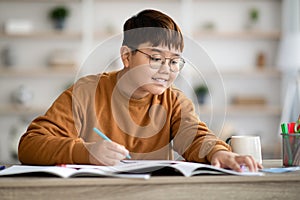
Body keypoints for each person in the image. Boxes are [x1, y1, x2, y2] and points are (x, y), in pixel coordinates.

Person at [18, 9, 262, 172]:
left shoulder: (173, 100)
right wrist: (86, 152)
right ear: (126, 56)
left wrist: (220, 152)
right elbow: (30, 145)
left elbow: (197, 137)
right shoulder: (86, 92)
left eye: (174, 61)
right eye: (156, 58)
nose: (167, 69)